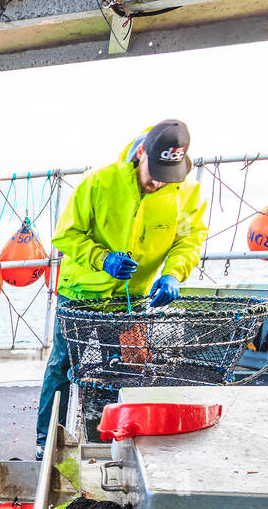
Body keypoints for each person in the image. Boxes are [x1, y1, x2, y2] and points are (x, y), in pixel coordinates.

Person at [35, 119, 208, 456]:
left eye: (167, 175)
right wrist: (103, 259)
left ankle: (116, 441)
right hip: (80, 295)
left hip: (133, 298)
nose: (158, 182)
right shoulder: (99, 182)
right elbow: (65, 235)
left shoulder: (186, 191)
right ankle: (47, 441)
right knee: (62, 367)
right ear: (141, 152)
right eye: (154, 171)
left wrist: (173, 273)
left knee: (130, 365)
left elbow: (190, 240)